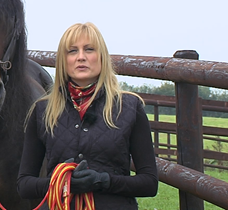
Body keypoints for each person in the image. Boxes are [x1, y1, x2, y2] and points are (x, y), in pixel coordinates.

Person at [17, 22, 158, 209]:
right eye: (72, 51)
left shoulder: (130, 107)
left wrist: (103, 181)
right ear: (63, 60)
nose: (81, 57)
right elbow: (24, 185)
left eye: (89, 49)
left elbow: (149, 183)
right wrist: (61, 183)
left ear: (101, 57)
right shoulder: (42, 110)